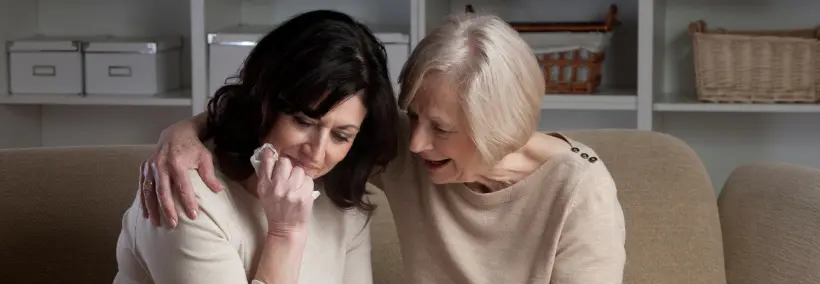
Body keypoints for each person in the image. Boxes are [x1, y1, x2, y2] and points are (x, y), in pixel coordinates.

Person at [138, 11, 627, 284]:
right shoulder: (403, 149)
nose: (415, 142)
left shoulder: (579, 192)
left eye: (440, 127)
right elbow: (292, 109)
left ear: (498, 129)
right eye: (413, 115)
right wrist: (182, 133)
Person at [114, 10, 399, 284]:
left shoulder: (342, 200)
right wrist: (286, 233)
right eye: (303, 122)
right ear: (263, 103)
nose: (316, 152)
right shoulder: (186, 195)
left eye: (341, 136)